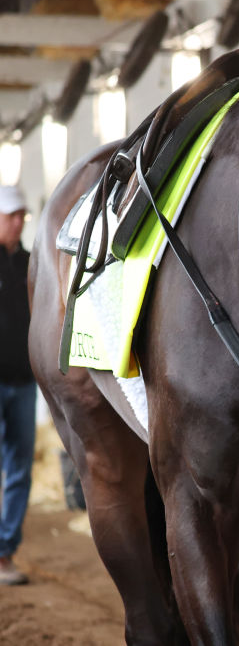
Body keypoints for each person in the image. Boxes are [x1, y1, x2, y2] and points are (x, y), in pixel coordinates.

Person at [0, 184, 36, 587]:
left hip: (24, 382)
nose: (18, 222)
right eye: (10, 216)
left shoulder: (30, 263)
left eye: (21, 216)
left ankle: (4, 552)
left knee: (20, 471)